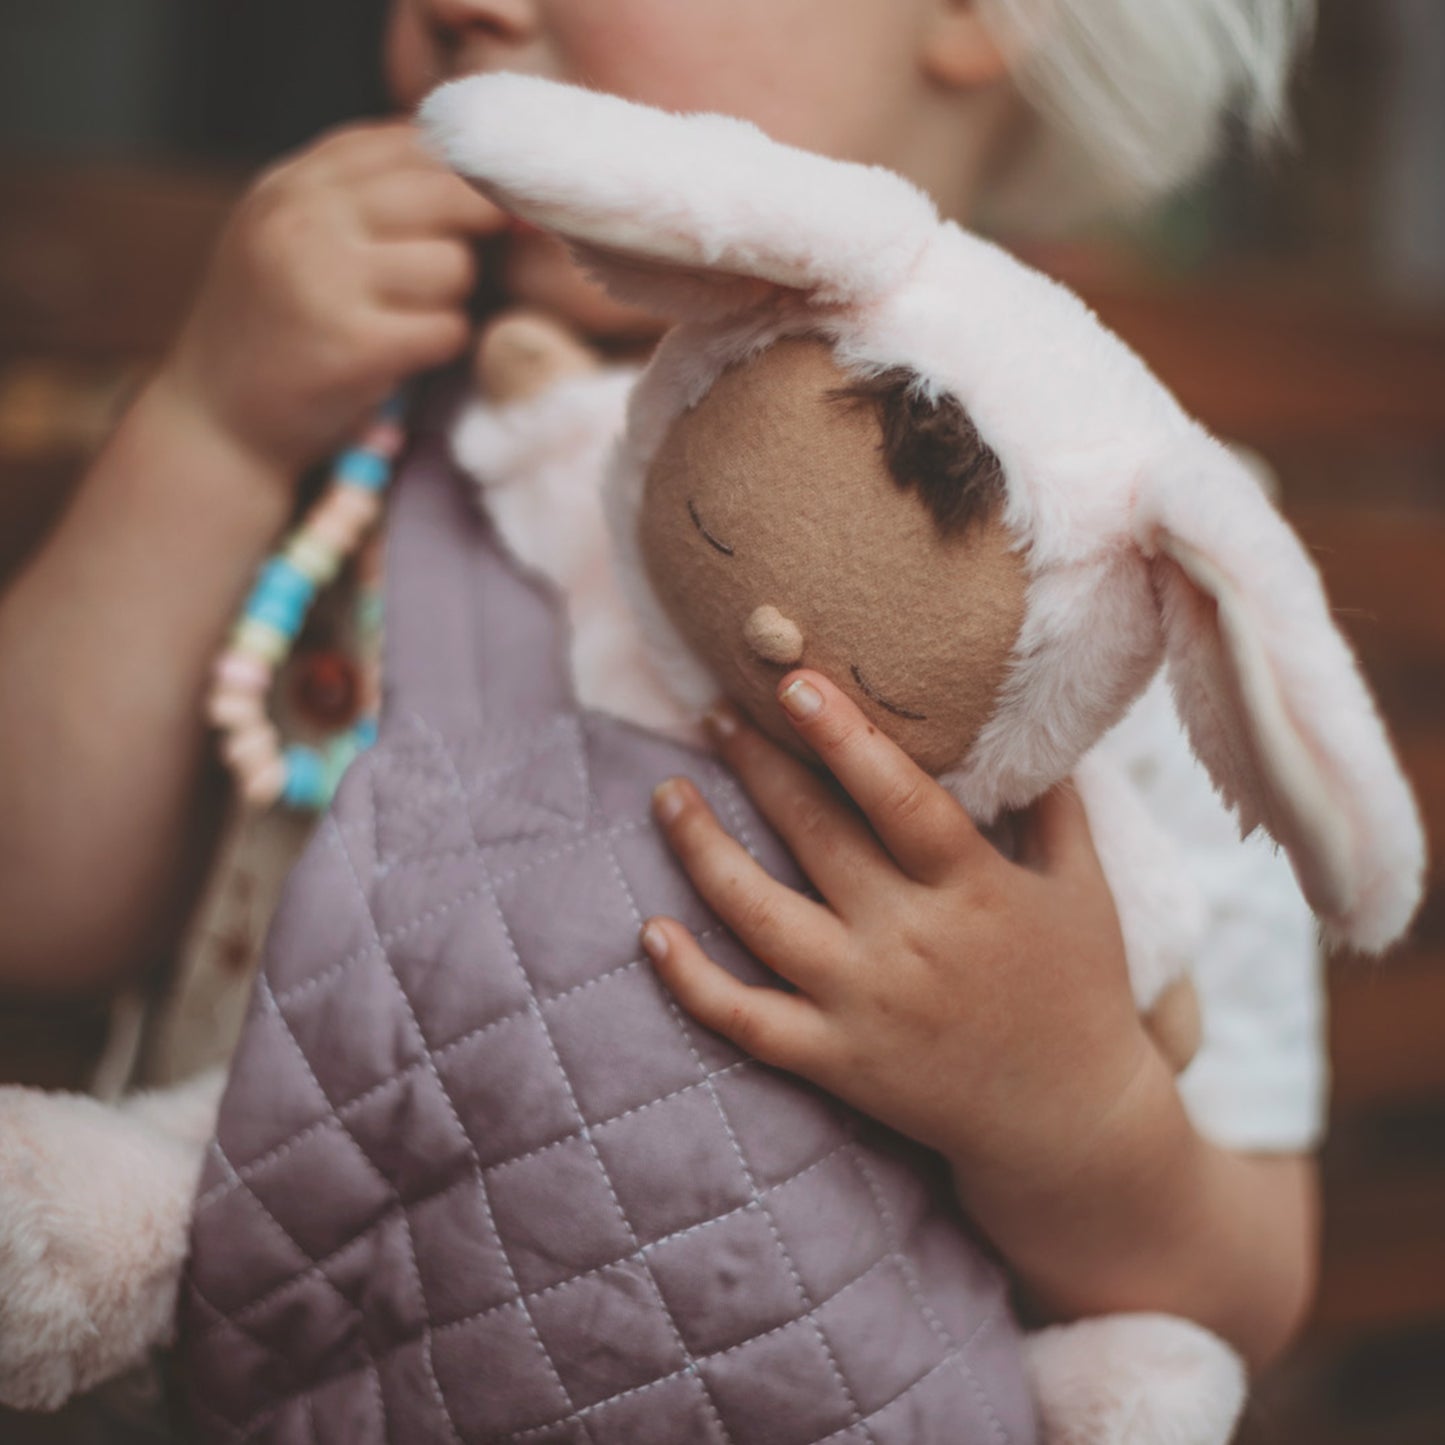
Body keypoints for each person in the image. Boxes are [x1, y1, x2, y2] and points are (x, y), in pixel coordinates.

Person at [0, 0, 1321, 1397]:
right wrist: (213, 422)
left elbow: (1244, 1280)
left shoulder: (1118, 575)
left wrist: (1071, 1106)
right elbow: (32, 905)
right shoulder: (340, 414)